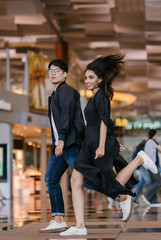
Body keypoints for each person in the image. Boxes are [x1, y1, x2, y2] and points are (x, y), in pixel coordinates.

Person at [60, 54, 158, 236]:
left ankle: (138, 161)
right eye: (85, 77)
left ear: (100, 79)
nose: (87, 81)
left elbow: (105, 120)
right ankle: (80, 226)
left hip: (98, 144)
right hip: (89, 145)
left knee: (108, 183)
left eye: (91, 77)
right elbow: (101, 122)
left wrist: (103, 145)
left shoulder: (102, 96)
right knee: (76, 179)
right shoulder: (94, 97)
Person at [40, 59, 115, 233]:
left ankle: (120, 196)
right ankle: (58, 219)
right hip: (61, 146)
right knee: (51, 179)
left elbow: (66, 117)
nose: (52, 73)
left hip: (70, 144)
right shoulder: (55, 94)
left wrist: (62, 139)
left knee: (87, 179)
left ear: (65, 74)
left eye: (57, 70)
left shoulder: (66, 91)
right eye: (50, 70)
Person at [141, 129, 161, 207]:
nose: (157, 136)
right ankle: (146, 195)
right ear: (153, 135)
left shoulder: (148, 142)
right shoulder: (151, 142)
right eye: (156, 135)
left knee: (154, 182)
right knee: (158, 181)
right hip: (152, 165)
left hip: (149, 165)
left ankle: (153, 201)